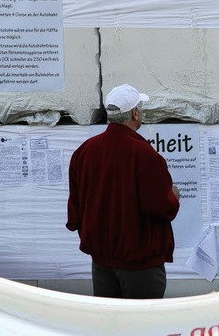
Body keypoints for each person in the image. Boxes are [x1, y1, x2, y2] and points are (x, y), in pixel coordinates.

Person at [66, 84, 180, 299]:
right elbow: (161, 207)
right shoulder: (145, 154)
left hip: (101, 262)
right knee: (142, 326)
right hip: (140, 265)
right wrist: (174, 196)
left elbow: (76, 208)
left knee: (111, 326)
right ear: (135, 113)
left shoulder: (84, 152)